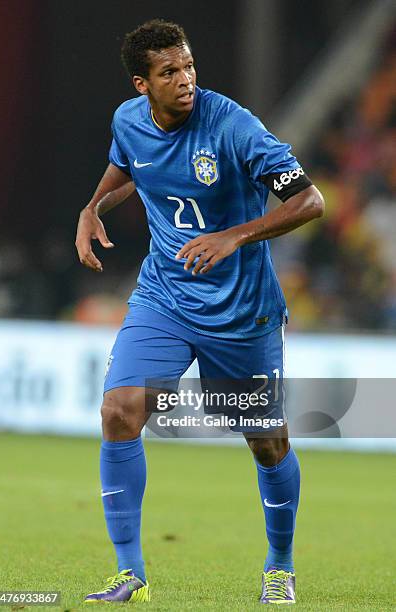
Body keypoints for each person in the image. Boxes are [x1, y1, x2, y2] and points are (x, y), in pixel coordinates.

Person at [75, 19, 324, 605]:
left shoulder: (234, 127)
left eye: (188, 67)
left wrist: (236, 236)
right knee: (119, 410)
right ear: (143, 84)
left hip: (242, 312)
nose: (185, 80)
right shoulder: (128, 121)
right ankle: (130, 575)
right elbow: (126, 167)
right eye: (169, 72)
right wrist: (93, 206)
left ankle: (279, 568)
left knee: (266, 441)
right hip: (165, 295)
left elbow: (309, 200)